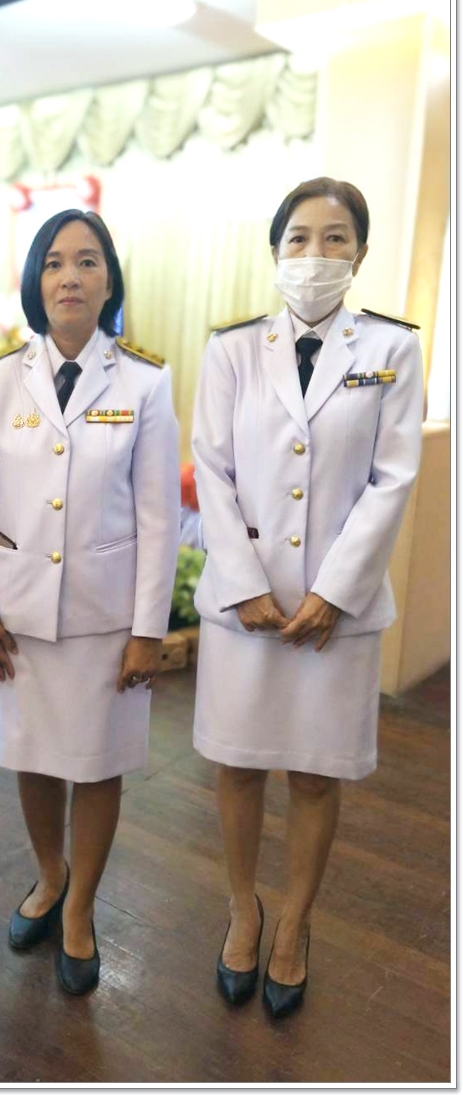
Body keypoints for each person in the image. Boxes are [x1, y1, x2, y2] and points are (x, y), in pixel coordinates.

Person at [191, 177, 423, 1018]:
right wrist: (245, 584)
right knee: (239, 766)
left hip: (336, 617)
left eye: (334, 239)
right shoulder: (231, 349)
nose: (315, 254)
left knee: (317, 778)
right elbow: (212, 470)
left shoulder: (391, 349)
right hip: (245, 611)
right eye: (298, 237)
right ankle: (243, 908)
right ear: (275, 250)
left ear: (359, 252)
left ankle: (294, 922)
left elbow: (393, 478)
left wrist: (333, 592)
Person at [0, 209, 180, 995]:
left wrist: (148, 629)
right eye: (53, 263)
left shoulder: (145, 382)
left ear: (109, 280)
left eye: (87, 261)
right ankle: (49, 875)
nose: (70, 277)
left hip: (104, 618)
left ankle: (80, 907)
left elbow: (159, 517)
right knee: (32, 753)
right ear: (36, 281)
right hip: (17, 617)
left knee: (96, 763)